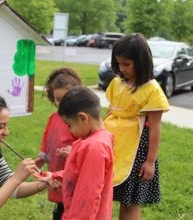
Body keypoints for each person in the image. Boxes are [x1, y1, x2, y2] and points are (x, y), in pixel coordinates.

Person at [103, 33, 170, 220]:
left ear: (141, 62)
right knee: (106, 195)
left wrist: (149, 162)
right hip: (113, 146)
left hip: (136, 152)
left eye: (127, 64)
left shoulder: (152, 90)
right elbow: (110, 112)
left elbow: (155, 128)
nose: (122, 69)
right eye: (119, 64)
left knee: (130, 202)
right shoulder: (117, 83)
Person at [0, 92, 58, 220]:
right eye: (1, 126)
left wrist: (42, 184)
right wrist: (16, 178)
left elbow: (12, 189)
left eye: (6, 125)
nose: (7, 132)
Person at [35, 86, 114, 220]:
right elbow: (81, 174)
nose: (70, 131)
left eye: (69, 125)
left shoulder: (94, 147)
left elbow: (88, 196)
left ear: (83, 118)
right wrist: (56, 176)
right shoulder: (92, 141)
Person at [35, 68, 82, 220]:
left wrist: (73, 151)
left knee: (72, 203)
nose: (62, 103)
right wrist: (41, 158)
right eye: (58, 99)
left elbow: (86, 143)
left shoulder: (80, 120)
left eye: (66, 98)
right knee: (61, 204)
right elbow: (46, 139)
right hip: (56, 170)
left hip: (74, 173)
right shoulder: (53, 117)